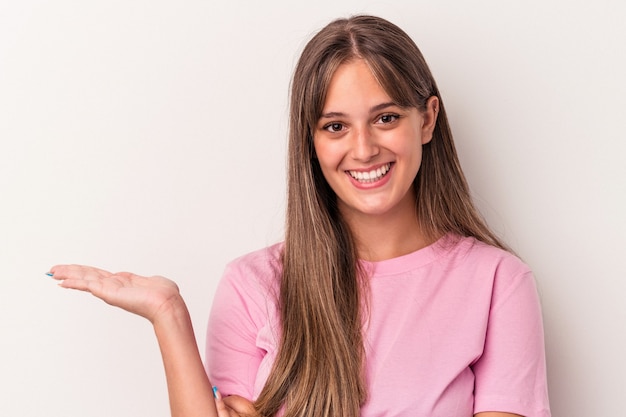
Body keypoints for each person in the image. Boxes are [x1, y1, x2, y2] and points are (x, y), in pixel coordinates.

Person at [48, 14, 550, 417]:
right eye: (335, 126)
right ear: (310, 143)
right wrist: (168, 315)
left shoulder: (497, 283)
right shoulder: (251, 284)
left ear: (428, 119)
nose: (364, 148)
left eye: (386, 117)